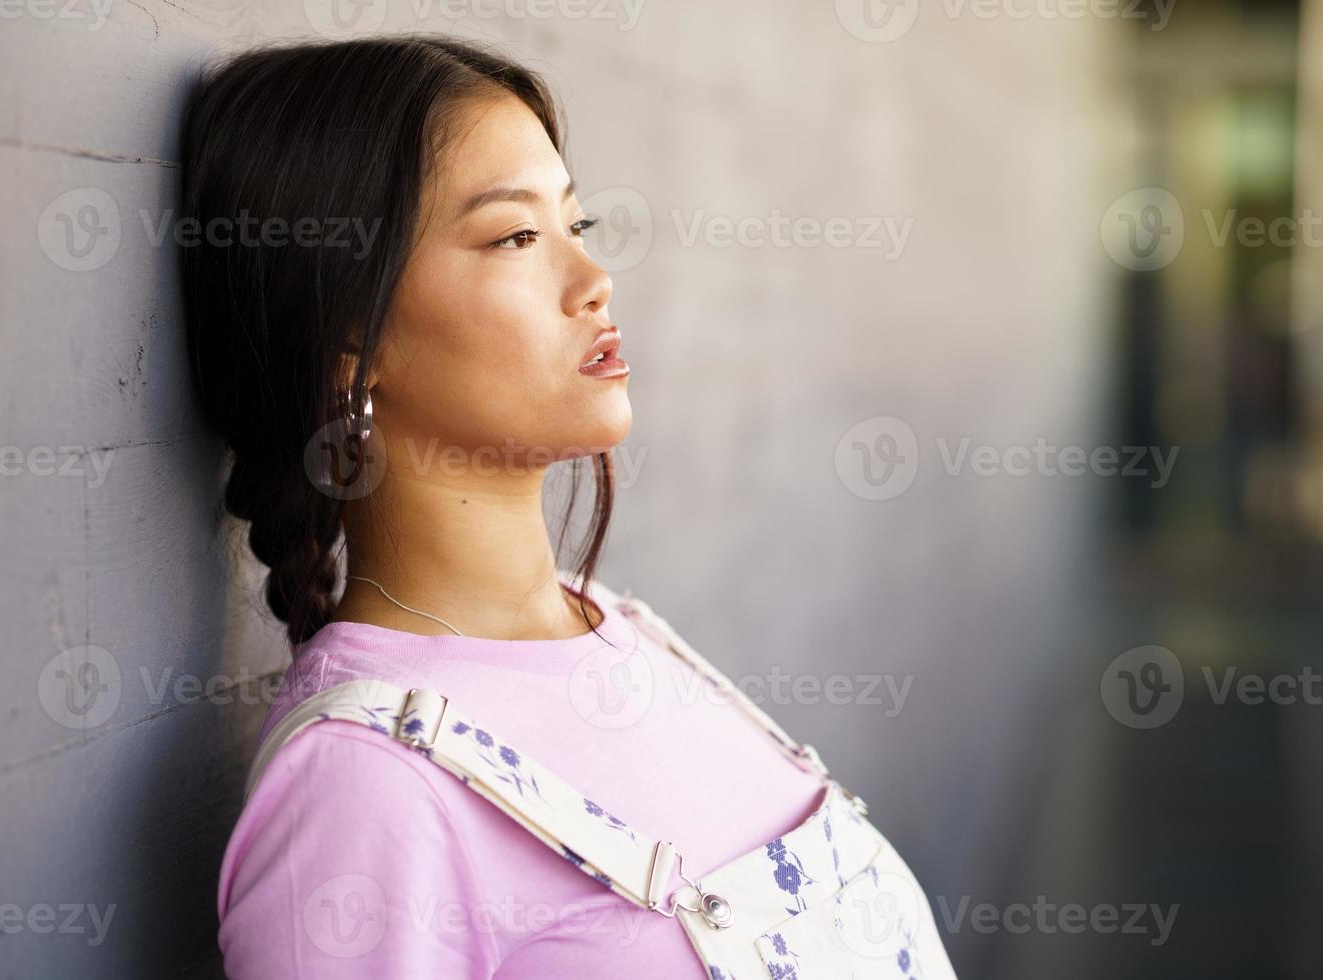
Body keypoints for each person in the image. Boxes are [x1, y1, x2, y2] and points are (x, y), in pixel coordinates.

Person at [180, 35, 956, 979]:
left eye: (576, 227)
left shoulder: (631, 636)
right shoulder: (361, 793)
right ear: (354, 346)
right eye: (514, 237)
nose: (594, 284)